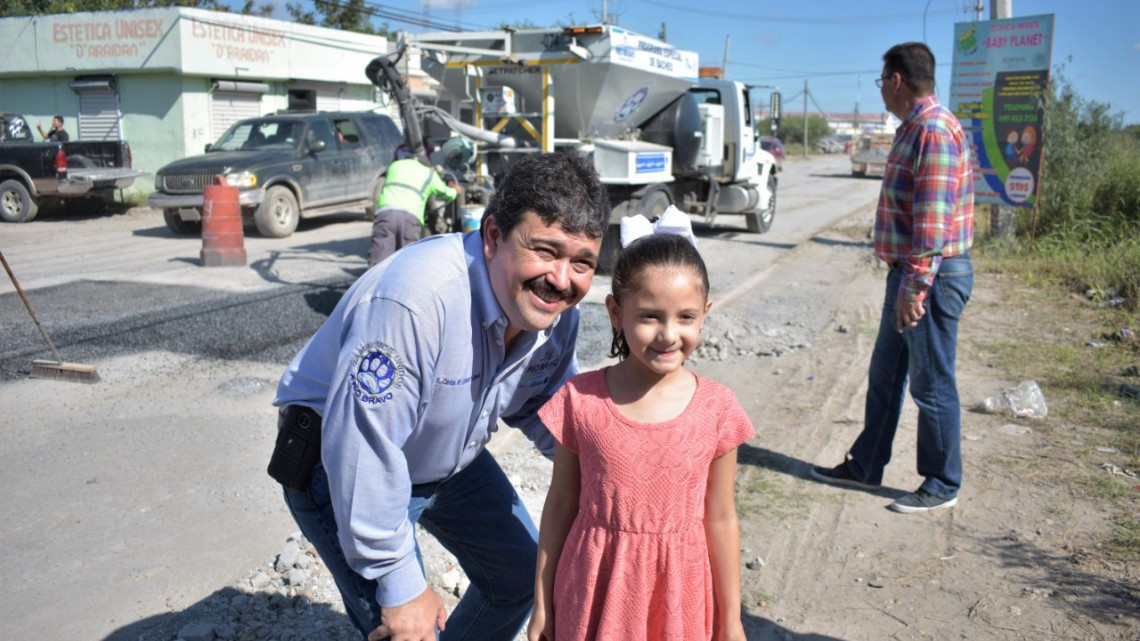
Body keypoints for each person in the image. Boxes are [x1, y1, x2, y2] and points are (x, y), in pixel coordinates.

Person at [271, 151, 610, 641]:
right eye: (546, 250)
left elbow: (545, 407)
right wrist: (400, 583)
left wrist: (612, 473)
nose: (561, 279)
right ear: (493, 236)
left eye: (582, 262)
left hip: (444, 457)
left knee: (516, 578)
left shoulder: (554, 316)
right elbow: (362, 447)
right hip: (338, 464)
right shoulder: (416, 301)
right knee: (408, 628)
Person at [528, 208, 754, 641]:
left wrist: (731, 619)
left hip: (678, 601)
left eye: (685, 317)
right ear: (616, 312)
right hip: (592, 592)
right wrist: (542, 603)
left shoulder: (718, 409)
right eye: (649, 315)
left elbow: (721, 518)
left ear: (705, 313)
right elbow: (559, 505)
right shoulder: (581, 401)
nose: (669, 334)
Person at [810, 41, 975, 514]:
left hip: (931, 277)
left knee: (931, 383)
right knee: (886, 373)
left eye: (882, 80)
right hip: (909, 274)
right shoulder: (913, 128)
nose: (880, 88)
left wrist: (915, 288)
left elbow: (932, 220)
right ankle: (866, 466)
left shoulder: (935, 131)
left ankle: (942, 482)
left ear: (897, 80)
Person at [368, 141, 455, 268]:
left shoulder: (394, 166)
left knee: (379, 259)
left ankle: (372, 286)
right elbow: (447, 193)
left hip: (385, 214)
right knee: (407, 261)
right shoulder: (429, 174)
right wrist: (455, 190)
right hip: (410, 217)